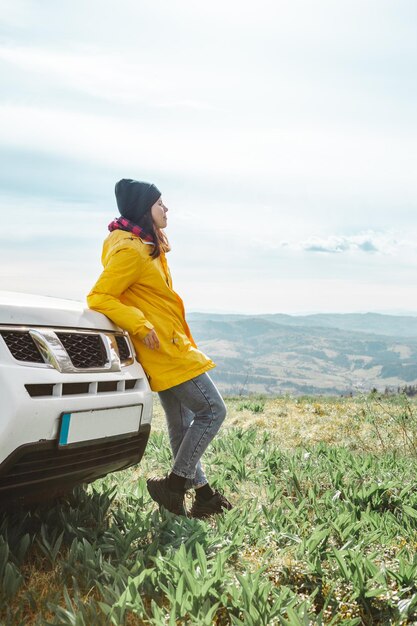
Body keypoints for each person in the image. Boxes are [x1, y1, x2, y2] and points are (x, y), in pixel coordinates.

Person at [87, 178, 232, 518]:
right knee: (213, 411)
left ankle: (203, 495)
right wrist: (140, 323)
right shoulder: (131, 250)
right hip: (165, 350)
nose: (166, 209)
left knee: (182, 424)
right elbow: (99, 296)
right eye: (160, 204)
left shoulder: (146, 246)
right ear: (144, 209)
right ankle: (174, 485)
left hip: (167, 346)